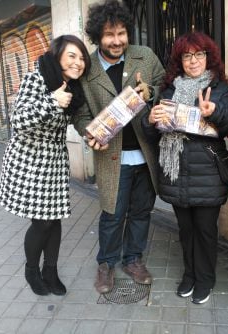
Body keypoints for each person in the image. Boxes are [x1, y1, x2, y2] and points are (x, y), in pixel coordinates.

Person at [72, 0, 165, 294]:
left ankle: (133, 259)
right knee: (112, 213)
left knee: (141, 211)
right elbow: (80, 113)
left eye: (122, 33)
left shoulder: (145, 57)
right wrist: (88, 132)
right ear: (97, 36)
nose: (117, 41)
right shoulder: (86, 70)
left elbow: (166, 87)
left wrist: (152, 92)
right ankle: (106, 263)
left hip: (146, 153)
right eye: (110, 35)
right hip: (111, 156)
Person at [141, 32, 228, 304]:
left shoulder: (219, 88)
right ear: (180, 60)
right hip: (175, 172)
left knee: (206, 231)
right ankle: (190, 275)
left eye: (199, 54)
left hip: (206, 171)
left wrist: (214, 112)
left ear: (208, 57)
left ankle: (205, 279)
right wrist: (150, 120)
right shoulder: (169, 89)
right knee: (185, 230)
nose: (193, 60)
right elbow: (154, 134)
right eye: (187, 55)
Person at [0, 35, 91, 296]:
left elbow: (80, 119)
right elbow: (18, 119)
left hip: (55, 163)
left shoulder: (73, 86)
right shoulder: (36, 78)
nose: (78, 62)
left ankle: (51, 270)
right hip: (30, 163)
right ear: (58, 55)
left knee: (54, 218)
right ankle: (31, 270)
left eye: (82, 58)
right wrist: (51, 101)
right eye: (72, 55)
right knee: (41, 223)